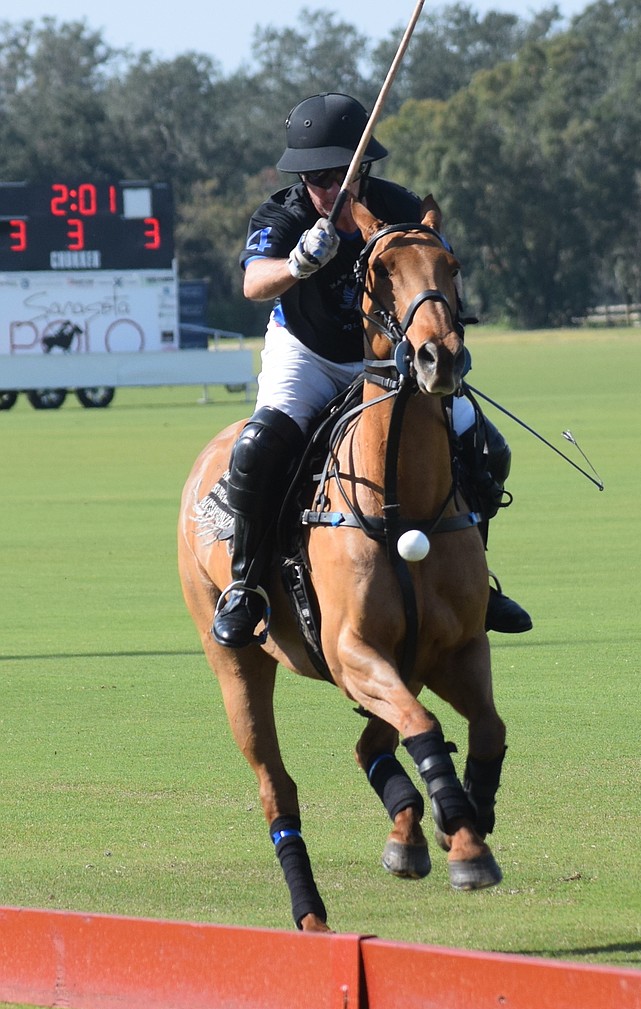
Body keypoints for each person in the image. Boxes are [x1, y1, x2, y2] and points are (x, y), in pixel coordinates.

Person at [211, 92, 532, 649]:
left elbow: (439, 277)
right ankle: (245, 586)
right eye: (318, 178)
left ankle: (475, 579)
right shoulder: (283, 215)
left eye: (343, 175)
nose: (331, 189)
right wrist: (297, 264)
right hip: (307, 353)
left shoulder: (400, 206)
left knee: (484, 446)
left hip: (387, 360)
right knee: (259, 448)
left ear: (363, 169)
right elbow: (252, 283)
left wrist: (447, 335)